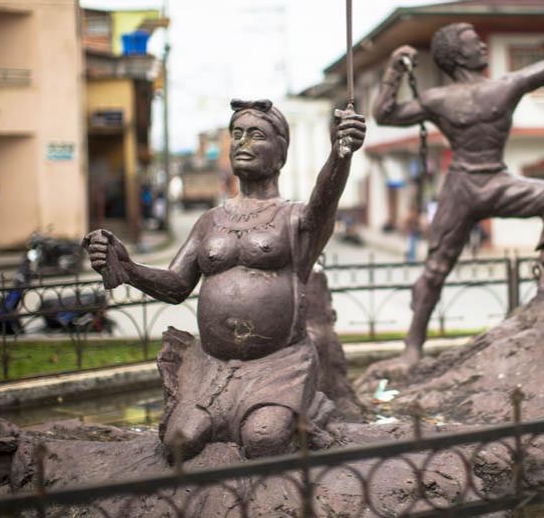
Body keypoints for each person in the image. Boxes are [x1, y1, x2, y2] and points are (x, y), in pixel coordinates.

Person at [83, 99, 365, 460]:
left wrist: (341, 155)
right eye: (237, 134)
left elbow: (325, 200)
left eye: (257, 135)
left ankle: (310, 410)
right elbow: (175, 285)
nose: (243, 143)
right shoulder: (210, 221)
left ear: (280, 154)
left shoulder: (296, 219)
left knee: (263, 440)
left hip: (278, 365)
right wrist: (127, 267)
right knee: (178, 443)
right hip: (212, 368)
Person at [372, 4, 544, 369]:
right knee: (435, 270)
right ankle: (412, 347)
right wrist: (393, 70)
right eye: (472, 42)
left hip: (497, 180)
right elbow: (384, 114)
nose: (482, 46)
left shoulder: (505, 86)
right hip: (460, 188)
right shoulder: (437, 99)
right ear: (454, 55)